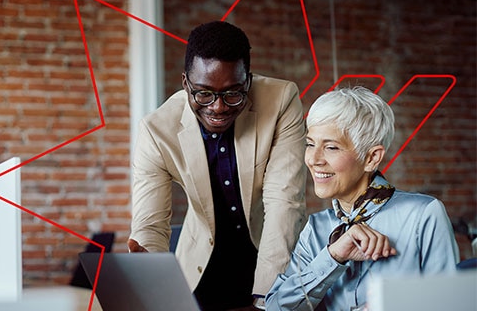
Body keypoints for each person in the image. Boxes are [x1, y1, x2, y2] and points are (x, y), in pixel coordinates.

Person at [127, 21, 307, 310]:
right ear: (186, 83)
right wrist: (148, 273)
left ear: (248, 80)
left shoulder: (281, 101)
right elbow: (151, 223)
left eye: (233, 93)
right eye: (203, 93)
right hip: (200, 270)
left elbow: (285, 201)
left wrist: (266, 297)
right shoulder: (157, 130)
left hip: (271, 256)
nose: (218, 107)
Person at [265, 86, 459, 311]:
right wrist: (333, 256)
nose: (314, 159)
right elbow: (275, 308)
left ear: (371, 157)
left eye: (331, 147)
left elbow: (452, 303)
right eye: (310, 144)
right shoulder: (316, 228)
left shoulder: (423, 215)